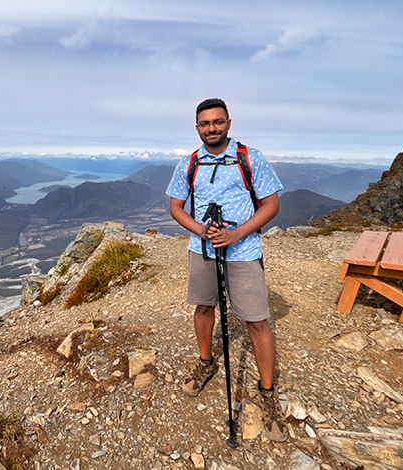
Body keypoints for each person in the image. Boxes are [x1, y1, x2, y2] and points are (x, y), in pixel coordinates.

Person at [165, 98, 288, 442]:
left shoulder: (249, 158)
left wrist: (236, 233)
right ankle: (206, 362)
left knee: (256, 319)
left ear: (229, 124)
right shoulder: (190, 163)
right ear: (197, 128)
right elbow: (176, 207)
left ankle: (267, 393)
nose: (212, 128)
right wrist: (201, 229)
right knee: (204, 307)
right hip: (202, 248)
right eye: (205, 124)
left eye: (217, 122)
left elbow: (272, 205)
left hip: (244, 249)